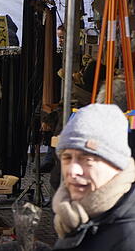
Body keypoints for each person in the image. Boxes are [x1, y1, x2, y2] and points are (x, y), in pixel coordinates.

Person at [51, 103, 135, 250]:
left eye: (87, 159)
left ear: (117, 165)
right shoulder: (77, 214)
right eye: (67, 158)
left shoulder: (128, 235)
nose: (72, 170)